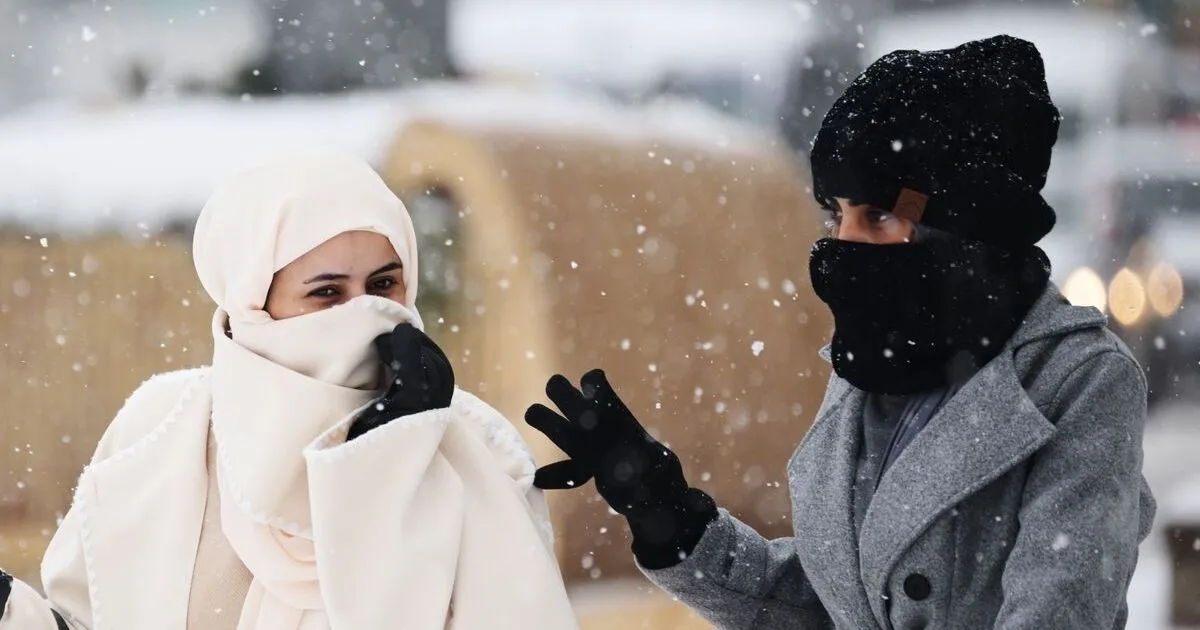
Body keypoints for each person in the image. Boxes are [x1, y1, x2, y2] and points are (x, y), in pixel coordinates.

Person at [525, 35, 1155, 629]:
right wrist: (669, 516)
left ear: (966, 228)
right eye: (836, 214)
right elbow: (844, 605)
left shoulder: (1077, 382)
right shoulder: (877, 368)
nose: (842, 246)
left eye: (878, 214)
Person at [0, 150, 578, 629]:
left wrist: (387, 470)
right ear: (254, 304)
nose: (365, 313)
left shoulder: (470, 451)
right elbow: (81, 618)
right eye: (326, 293)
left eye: (383, 285)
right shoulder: (161, 429)